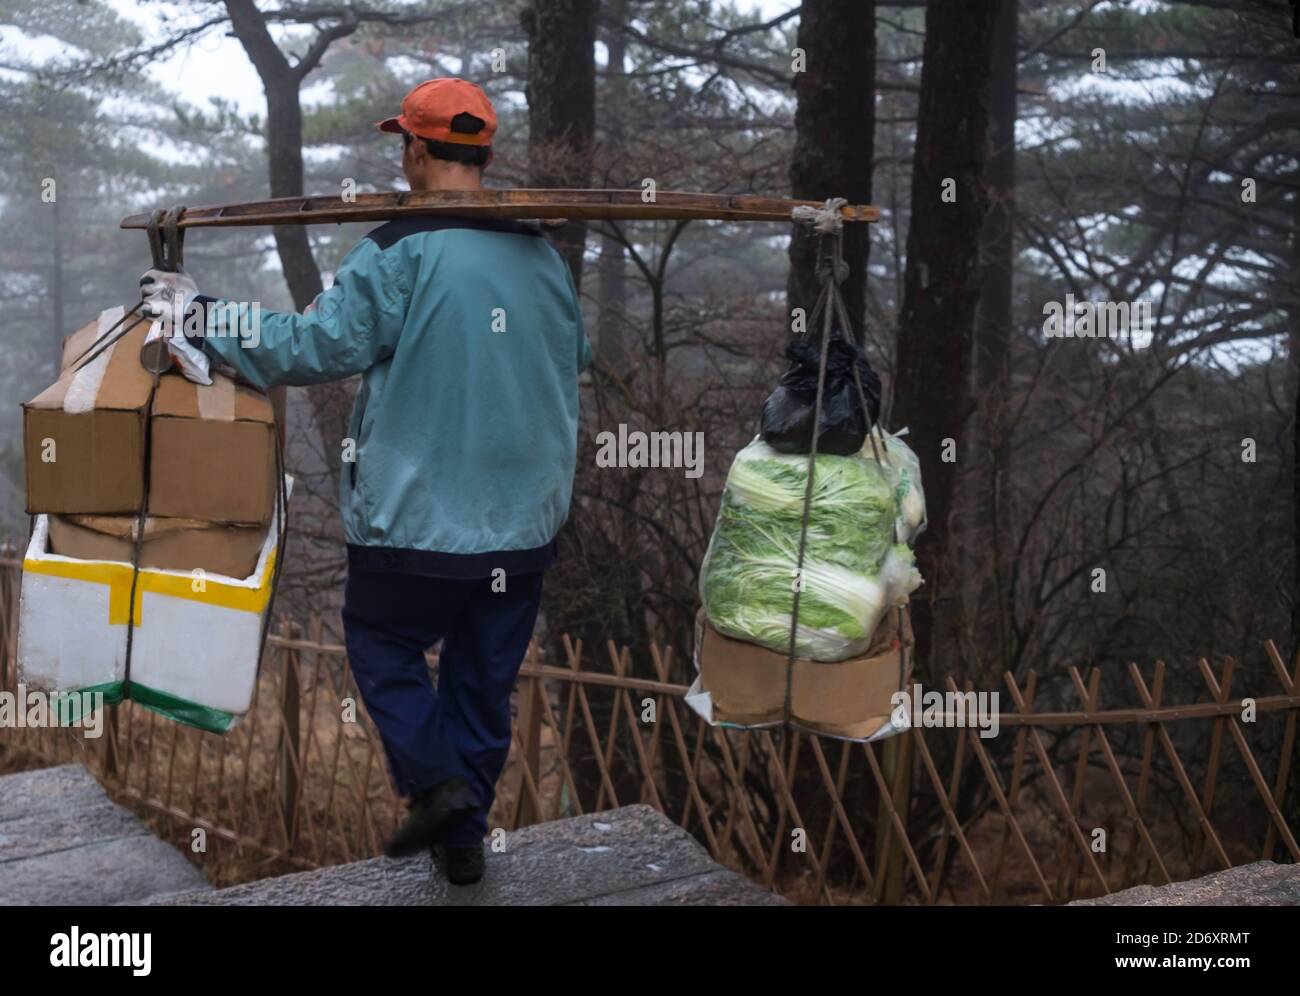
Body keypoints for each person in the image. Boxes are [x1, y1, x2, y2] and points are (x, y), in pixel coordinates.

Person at [140, 78, 593, 886]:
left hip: (419, 522)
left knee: (382, 644)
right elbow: (571, 360)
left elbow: (315, 346)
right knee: (482, 683)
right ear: (482, 154)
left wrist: (204, 316)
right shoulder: (542, 256)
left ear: (415, 151)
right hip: (523, 525)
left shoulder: (398, 250)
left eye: (404, 145)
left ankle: (442, 791)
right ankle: (462, 838)